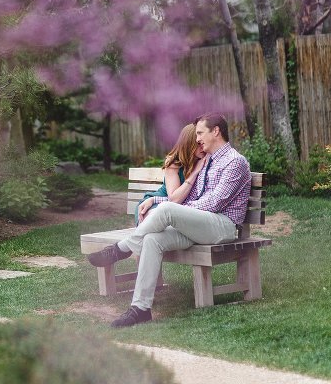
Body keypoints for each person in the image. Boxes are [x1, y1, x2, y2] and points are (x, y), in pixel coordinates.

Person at [87, 113, 251, 328]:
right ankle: (141, 309)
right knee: (152, 240)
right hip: (201, 226)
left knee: (166, 211)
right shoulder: (207, 160)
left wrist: (175, 210)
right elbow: (191, 200)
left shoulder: (235, 162)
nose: (197, 138)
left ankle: (122, 248)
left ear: (216, 131)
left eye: (200, 133)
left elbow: (215, 203)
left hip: (222, 227)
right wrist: (156, 200)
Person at [134, 123, 207, 226]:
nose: (202, 147)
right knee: (155, 222)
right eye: (198, 144)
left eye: (203, 143)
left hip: (179, 208)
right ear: (188, 144)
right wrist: (194, 173)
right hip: (157, 204)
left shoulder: (206, 160)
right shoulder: (174, 163)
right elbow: (174, 200)